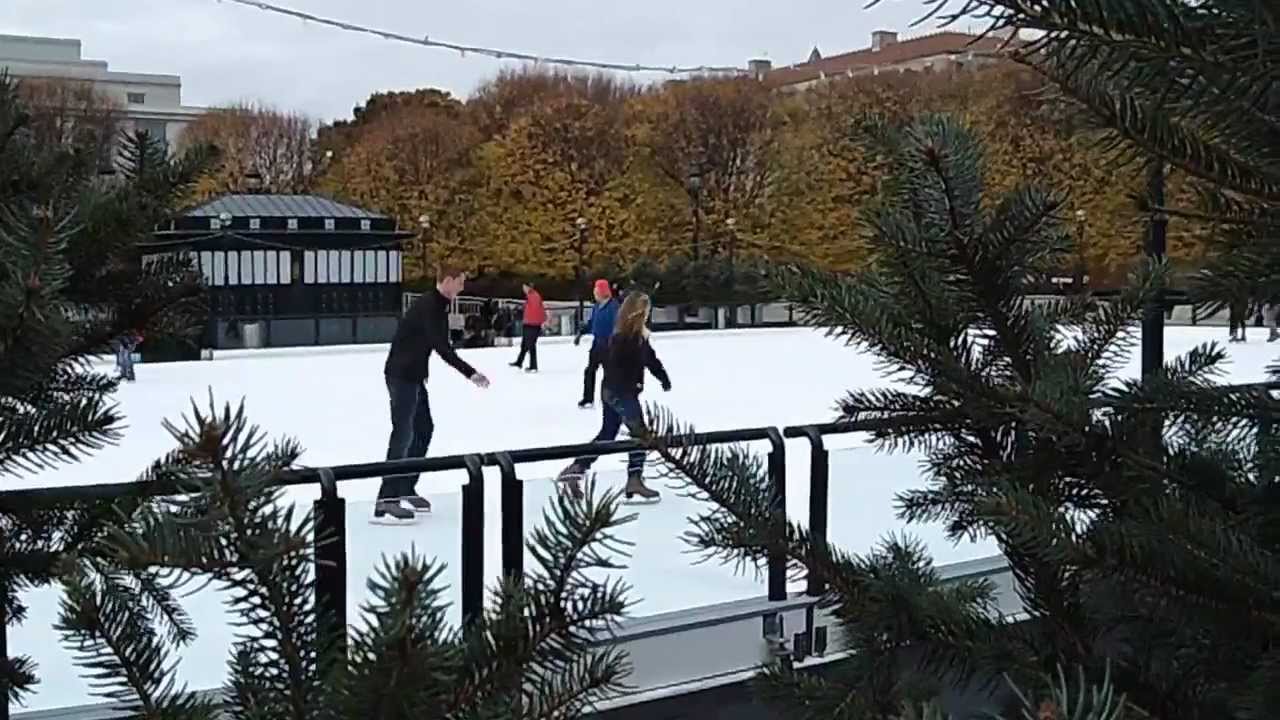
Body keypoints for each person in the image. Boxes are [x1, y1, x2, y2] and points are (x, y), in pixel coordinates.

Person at [376, 265, 490, 525]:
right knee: (403, 433)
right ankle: (385, 500)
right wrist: (470, 373)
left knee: (423, 429)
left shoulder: (437, 306)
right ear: (447, 281)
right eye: (459, 282)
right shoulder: (430, 306)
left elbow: (437, 344)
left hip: (413, 376)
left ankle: (404, 486)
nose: (462, 288)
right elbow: (441, 346)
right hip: (401, 375)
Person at [557, 291, 669, 503]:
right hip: (619, 392)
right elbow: (614, 363)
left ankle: (576, 469)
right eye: (646, 311)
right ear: (638, 312)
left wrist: (663, 377)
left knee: (608, 433)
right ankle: (634, 478)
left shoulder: (634, 337)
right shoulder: (623, 338)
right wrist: (630, 385)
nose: (647, 315)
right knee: (640, 434)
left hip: (613, 391)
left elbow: (650, 360)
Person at [575, 279, 619, 408]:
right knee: (589, 371)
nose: (594, 292)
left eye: (596, 290)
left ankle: (609, 398)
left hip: (609, 345)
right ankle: (588, 398)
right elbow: (592, 323)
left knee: (609, 375)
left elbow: (618, 326)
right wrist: (581, 333)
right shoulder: (596, 307)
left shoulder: (614, 307)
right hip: (597, 344)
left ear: (603, 292)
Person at [510, 282, 547, 372]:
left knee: (530, 345)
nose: (524, 289)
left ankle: (533, 366)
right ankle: (519, 362)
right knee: (525, 344)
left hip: (532, 324)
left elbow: (535, 310)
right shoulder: (530, 296)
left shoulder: (534, 296)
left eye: (525, 287)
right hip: (529, 323)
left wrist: (533, 321)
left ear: (529, 287)